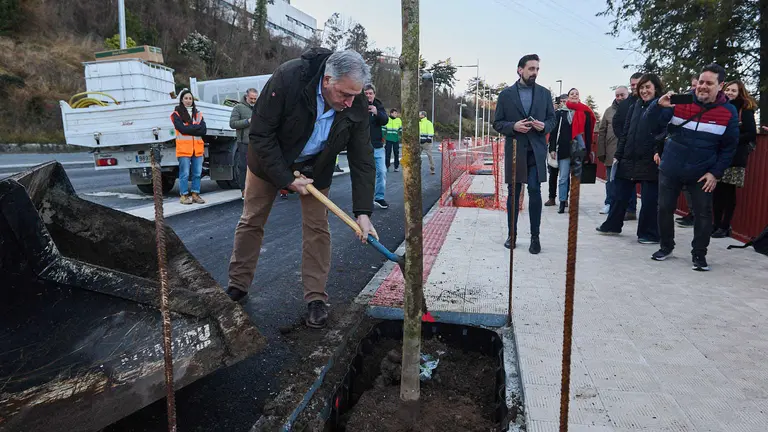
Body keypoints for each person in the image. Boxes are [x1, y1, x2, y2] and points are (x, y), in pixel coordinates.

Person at [225, 48, 377, 329]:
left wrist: (364, 212)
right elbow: (260, 132)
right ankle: (238, 284)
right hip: (269, 161)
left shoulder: (353, 104)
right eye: (344, 94)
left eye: (355, 95)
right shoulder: (289, 77)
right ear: (327, 79)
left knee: (318, 229)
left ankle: (316, 298)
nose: (350, 102)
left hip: (316, 167)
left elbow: (362, 159)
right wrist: (285, 178)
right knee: (252, 220)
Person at [646, 63, 738, 271]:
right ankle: (666, 246)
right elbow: (651, 125)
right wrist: (657, 105)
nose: (703, 86)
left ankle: (699, 254)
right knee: (664, 209)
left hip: (701, 173)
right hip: (671, 167)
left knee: (703, 215)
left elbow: (728, 148)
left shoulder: (728, 112)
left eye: (709, 83)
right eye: (701, 82)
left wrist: (715, 173)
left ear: (720, 85)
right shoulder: (680, 101)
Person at [493, 54, 555, 254]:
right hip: (515, 151)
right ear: (520, 70)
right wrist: (514, 126)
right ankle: (512, 235)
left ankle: (535, 238)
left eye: (537, 69)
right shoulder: (506, 95)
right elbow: (497, 123)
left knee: (535, 192)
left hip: (535, 151)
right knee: (513, 194)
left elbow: (552, 120)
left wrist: (544, 125)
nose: (534, 72)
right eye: (531, 69)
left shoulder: (545, 94)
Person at [596, 74, 664, 243]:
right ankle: (612, 225)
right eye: (641, 87)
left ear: (656, 88)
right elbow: (625, 132)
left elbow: (663, 131)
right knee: (619, 195)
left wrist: (658, 151)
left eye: (648, 87)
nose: (644, 91)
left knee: (649, 200)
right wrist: (619, 154)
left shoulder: (663, 107)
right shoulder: (634, 106)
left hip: (649, 160)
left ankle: (648, 234)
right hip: (628, 157)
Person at [712, 80, 757, 238]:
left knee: (728, 193)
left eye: (734, 90)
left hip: (735, 157)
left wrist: (732, 139)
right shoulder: (720, 107)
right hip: (719, 156)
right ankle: (716, 224)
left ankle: (725, 226)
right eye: (728, 90)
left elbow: (751, 133)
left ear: (740, 93)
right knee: (716, 192)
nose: (730, 92)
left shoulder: (744, 109)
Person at [549, 88, 596, 214]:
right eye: (572, 94)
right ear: (568, 97)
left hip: (578, 149)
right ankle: (562, 201)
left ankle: (573, 202)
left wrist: (588, 151)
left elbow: (588, 133)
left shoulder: (584, 112)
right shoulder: (560, 113)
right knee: (563, 177)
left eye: (576, 94)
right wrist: (552, 148)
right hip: (564, 148)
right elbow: (553, 132)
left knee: (575, 178)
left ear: (579, 97)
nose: (574, 95)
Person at [613, 72, 644, 220]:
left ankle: (648, 214)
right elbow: (617, 123)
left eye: (637, 84)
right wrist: (625, 139)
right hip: (627, 149)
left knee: (647, 186)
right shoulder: (626, 104)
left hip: (646, 152)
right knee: (626, 183)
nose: (635, 87)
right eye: (632, 84)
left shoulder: (653, 102)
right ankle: (629, 210)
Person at [171, 89, 207, 205]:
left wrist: (189, 129)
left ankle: (195, 194)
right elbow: (181, 129)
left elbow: (203, 130)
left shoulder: (198, 114)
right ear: (181, 100)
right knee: (185, 174)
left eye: (190, 98)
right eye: (186, 98)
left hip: (197, 149)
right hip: (184, 149)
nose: (188, 100)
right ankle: (184, 195)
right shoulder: (176, 114)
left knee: (197, 173)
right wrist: (195, 128)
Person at [597, 86, 629, 214]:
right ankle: (609, 203)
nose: (620, 98)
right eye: (617, 95)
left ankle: (628, 207)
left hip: (627, 152)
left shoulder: (632, 108)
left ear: (628, 94)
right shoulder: (609, 111)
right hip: (611, 152)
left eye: (622, 95)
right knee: (610, 180)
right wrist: (601, 151)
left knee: (627, 181)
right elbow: (602, 131)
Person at [676, 74, 703, 228]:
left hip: (701, 152)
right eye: (692, 85)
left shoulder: (711, 104)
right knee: (685, 185)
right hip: (684, 150)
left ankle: (698, 216)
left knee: (697, 187)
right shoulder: (685, 101)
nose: (694, 88)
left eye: (696, 85)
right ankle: (692, 213)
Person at [230, 88, 258, 198]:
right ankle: (244, 190)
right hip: (244, 143)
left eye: (255, 99)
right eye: (251, 98)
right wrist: (247, 121)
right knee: (243, 168)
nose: (253, 100)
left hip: (257, 143)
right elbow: (232, 124)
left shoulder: (258, 107)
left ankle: (255, 190)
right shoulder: (238, 108)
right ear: (246, 97)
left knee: (256, 168)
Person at [364, 84, 389, 209]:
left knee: (381, 171)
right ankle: (365, 199)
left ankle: (379, 197)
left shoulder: (378, 105)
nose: (368, 95)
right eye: (366, 93)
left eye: (370, 93)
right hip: (363, 146)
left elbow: (385, 120)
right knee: (365, 174)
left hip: (377, 146)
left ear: (374, 94)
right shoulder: (357, 105)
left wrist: (376, 112)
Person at [545, 95, 566, 207]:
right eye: (561, 101)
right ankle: (551, 197)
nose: (563, 103)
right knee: (553, 175)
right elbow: (552, 133)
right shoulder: (556, 115)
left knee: (565, 176)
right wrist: (552, 149)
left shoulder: (572, 115)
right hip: (555, 149)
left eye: (565, 101)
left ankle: (564, 198)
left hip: (566, 150)